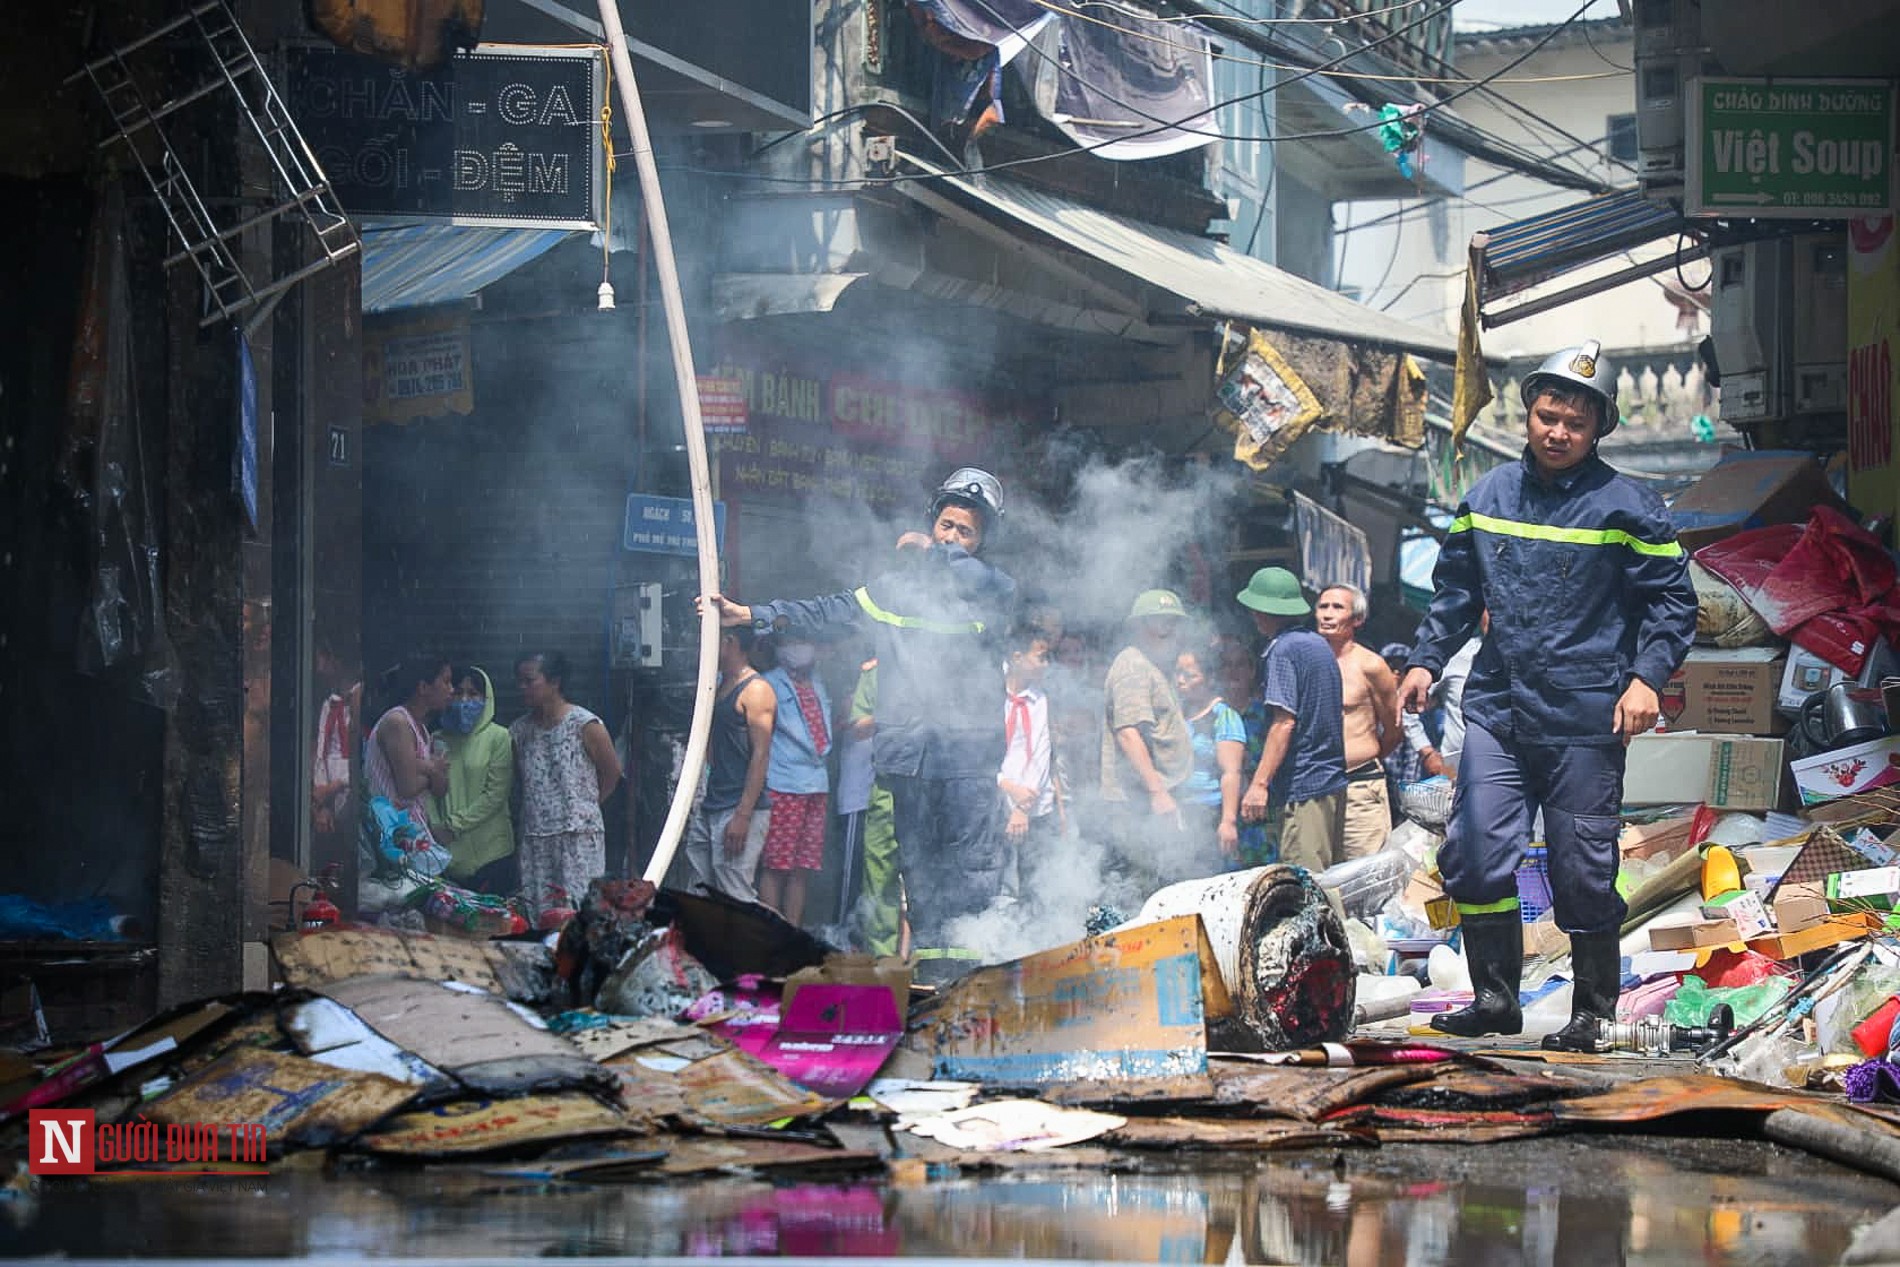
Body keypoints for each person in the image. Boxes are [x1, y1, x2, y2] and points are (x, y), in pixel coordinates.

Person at [1399, 341, 1696, 1052]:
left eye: (1574, 422)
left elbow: (1672, 604)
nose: (1558, 431)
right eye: (1546, 415)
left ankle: (1594, 1009)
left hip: (1585, 717)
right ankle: (1495, 996)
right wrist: (1424, 660)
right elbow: (1455, 593)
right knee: (1473, 851)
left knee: (1582, 868)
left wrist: (1646, 678)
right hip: (1501, 710)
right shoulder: (1487, 498)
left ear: (1599, 429)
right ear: (1528, 413)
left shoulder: (1629, 506)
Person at [702, 468, 1016, 965]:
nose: (952, 537)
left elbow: (981, 581)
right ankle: (937, 981)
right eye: (946, 526)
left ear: (982, 543)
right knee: (920, 874)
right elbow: (828, 611)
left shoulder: (992, 590)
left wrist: (935, 555)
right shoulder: (894, 590)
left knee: (973, 874)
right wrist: (751, 615)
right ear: (933, 522)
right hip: (908, 760)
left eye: (965, 532)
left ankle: (971, 976)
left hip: (967, 761)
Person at [1235, 568, 1348, 873]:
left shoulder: (1283, 651)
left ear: (1262, 611)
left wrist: (1259, 784)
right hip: (1330, 781)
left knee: (1307, 887)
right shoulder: (1316, 644)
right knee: (1329, 881)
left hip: (1304, 788)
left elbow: (1284, 722)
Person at [510, 651, 623, 915]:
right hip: (535, 838)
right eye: (519, 682)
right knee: (540, 914)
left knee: (579, 912)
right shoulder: (519, 731)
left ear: (555, 682)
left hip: (577, 837)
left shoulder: (585, 724)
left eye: (529, 681)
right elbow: (520, 782)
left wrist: (585, 807)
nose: (522, 688)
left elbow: (611, 773)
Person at [1100, 590, 1194, 890]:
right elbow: (1128, 733)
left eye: (1173, 623)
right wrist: (1157, 792)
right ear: (1140, 626)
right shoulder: (1133, 666)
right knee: (1139, 885)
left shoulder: (1153, 665)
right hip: (1137, 801)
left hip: (1153, 797)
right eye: (1161, 622)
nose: (1170, 630)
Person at [681, 626, 776, 902]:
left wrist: (743, 815)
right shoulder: (721, 685)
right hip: (713, 803)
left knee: (736, 895)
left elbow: (761, 755)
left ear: (730, 642)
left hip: (738, 807)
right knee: (699, 890)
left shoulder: (756, 690)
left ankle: (764, 944)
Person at [1313, 584, 1401, 857]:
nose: (1327, 614)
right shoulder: (1308, 661)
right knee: (1317, 878)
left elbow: (1394, 727)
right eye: (1323, 606)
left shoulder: (1370, 665)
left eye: (1337, 607)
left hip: (1360, 787)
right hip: (1316, 786)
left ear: (1357, 619)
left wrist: (1364, 755)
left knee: (1365, 876)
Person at [758, 636, 831, 926]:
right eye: (792, 641)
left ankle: (792, 933)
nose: (800, 647)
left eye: (804, 640)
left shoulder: (818, 683)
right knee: (776, 865)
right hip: (784, 784)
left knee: (803, 867)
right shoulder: (769, 683)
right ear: (778, 648)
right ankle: (769, 936)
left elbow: (823, 735)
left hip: (817, 785)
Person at [430, 665, 516, 894]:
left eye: (473, 693)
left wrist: (452, 826)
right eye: (458, 692)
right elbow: (426, 790)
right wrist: (435, 827)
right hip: (448, 854)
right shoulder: (437, 739)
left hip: (492, 854)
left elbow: (496, 794)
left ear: (486, 698)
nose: (464, 700)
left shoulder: (499, 737)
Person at [998, 626, 1062, 895]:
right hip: (997, 802)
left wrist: (1023, 806)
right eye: (1040, 657)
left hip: (1035, 805)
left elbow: (1040, 753)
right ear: (1017, 657)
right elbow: (981, 753)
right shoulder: (990, 692)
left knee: (1034, 885)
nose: (1046, 665)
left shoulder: (1040, 699)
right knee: (997, 884)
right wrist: (1007, 787)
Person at [365, 654, 453, 851]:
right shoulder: (397, 722)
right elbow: (408, 786)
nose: (451, 690)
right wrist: (432, 768)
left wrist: (426, 768)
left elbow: (441, 790)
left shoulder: (422, 729)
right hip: (391, 836)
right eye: (446, 682)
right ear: (423, 687)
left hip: (413, 832)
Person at [1174, 644, 1246, 876]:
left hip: (1210, 812)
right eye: (1178, 673)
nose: (1180, 681)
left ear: (1209, 677)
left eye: (1190, 675)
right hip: (1181, 811)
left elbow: (1231, 772)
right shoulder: (1177, 714)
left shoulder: (1223, 716)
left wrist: (1228, 822)